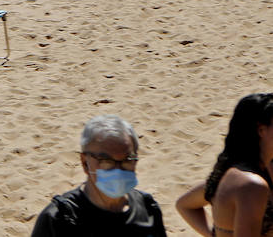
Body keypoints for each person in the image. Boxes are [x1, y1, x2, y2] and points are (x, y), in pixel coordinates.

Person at [31, 114, 165, 236]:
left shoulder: (148, 209)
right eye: (106, 161)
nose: (118, 170)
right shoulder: (59, 219)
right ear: (85, 163)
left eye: (127, 160)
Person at [175, 92, 273, 237]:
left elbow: (185, 204)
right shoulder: (252, 185)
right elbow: (185, 205)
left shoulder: (233, 175)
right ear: (261, 130)